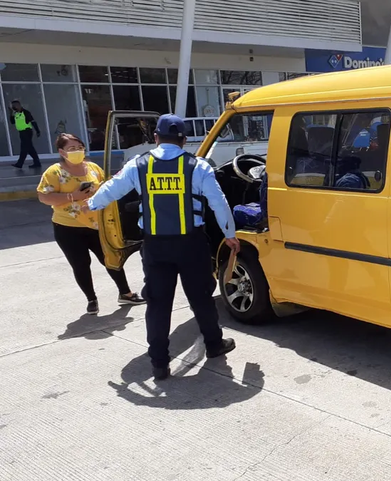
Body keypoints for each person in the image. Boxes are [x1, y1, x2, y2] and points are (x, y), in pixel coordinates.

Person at [83, 114, 239, 380]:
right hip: (191, 244)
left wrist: (90, 205)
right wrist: (230, 234)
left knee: (157, 304)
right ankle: (214, 345)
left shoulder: (138, 165)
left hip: (155, 246)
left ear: (155, 137)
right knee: (201, 297)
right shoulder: (198, 166)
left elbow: (112, 189)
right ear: (184, 140)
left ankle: (159, 363)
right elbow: (219, 202)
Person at [36, 133, 145, 315]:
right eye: (72, 149)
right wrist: (73, 196)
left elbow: (107, 188)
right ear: (62, 152)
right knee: (81, 264)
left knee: (111, 259)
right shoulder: (54, 172)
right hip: (68, 228)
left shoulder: (93, 168)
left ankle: (125, 293)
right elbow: (44, 196)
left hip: (97, 225)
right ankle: (91, 299)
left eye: (80, 147)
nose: (77, 151)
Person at [9, 100, 42, 169]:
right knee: (29, 148)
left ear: (18, 105)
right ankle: (37, 162)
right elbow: (12, 122)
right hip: (21, 132)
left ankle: (20, 163)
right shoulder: (16, 114)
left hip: (27, 132)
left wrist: (37, 131)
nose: (13, 107)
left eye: (14, 106)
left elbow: (33, 121)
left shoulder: (26, 113)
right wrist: (11, 113)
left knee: (24, 148)